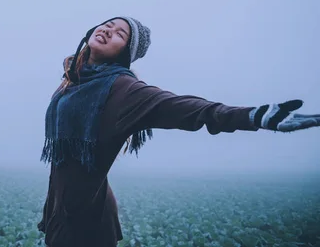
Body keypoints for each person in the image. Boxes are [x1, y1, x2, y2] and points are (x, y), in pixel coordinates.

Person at [37, 17, 319, 247]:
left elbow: (183, 107)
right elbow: (63, 165)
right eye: (108, 24)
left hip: (87, 226)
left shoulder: (122, 88)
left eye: (120, 33)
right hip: (64, 215)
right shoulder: (75, 80)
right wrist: (51, 214)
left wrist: (255, 116)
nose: (109, 30)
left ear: (125, 53)